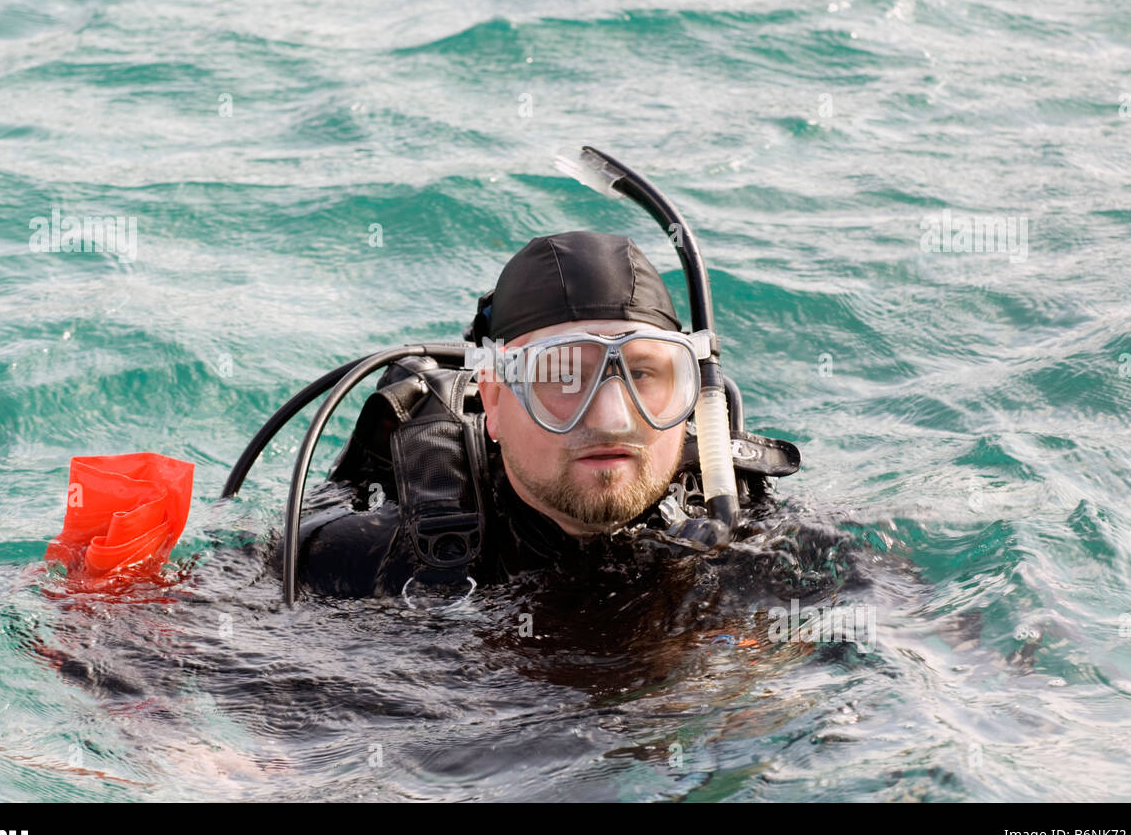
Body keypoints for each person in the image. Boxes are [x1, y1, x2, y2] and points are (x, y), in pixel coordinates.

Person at [288, 230, 800, 600]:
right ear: (493, 400)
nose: (613, 418)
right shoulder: (358, 560)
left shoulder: (761, 541)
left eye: (644, 374)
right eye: (563, 376)